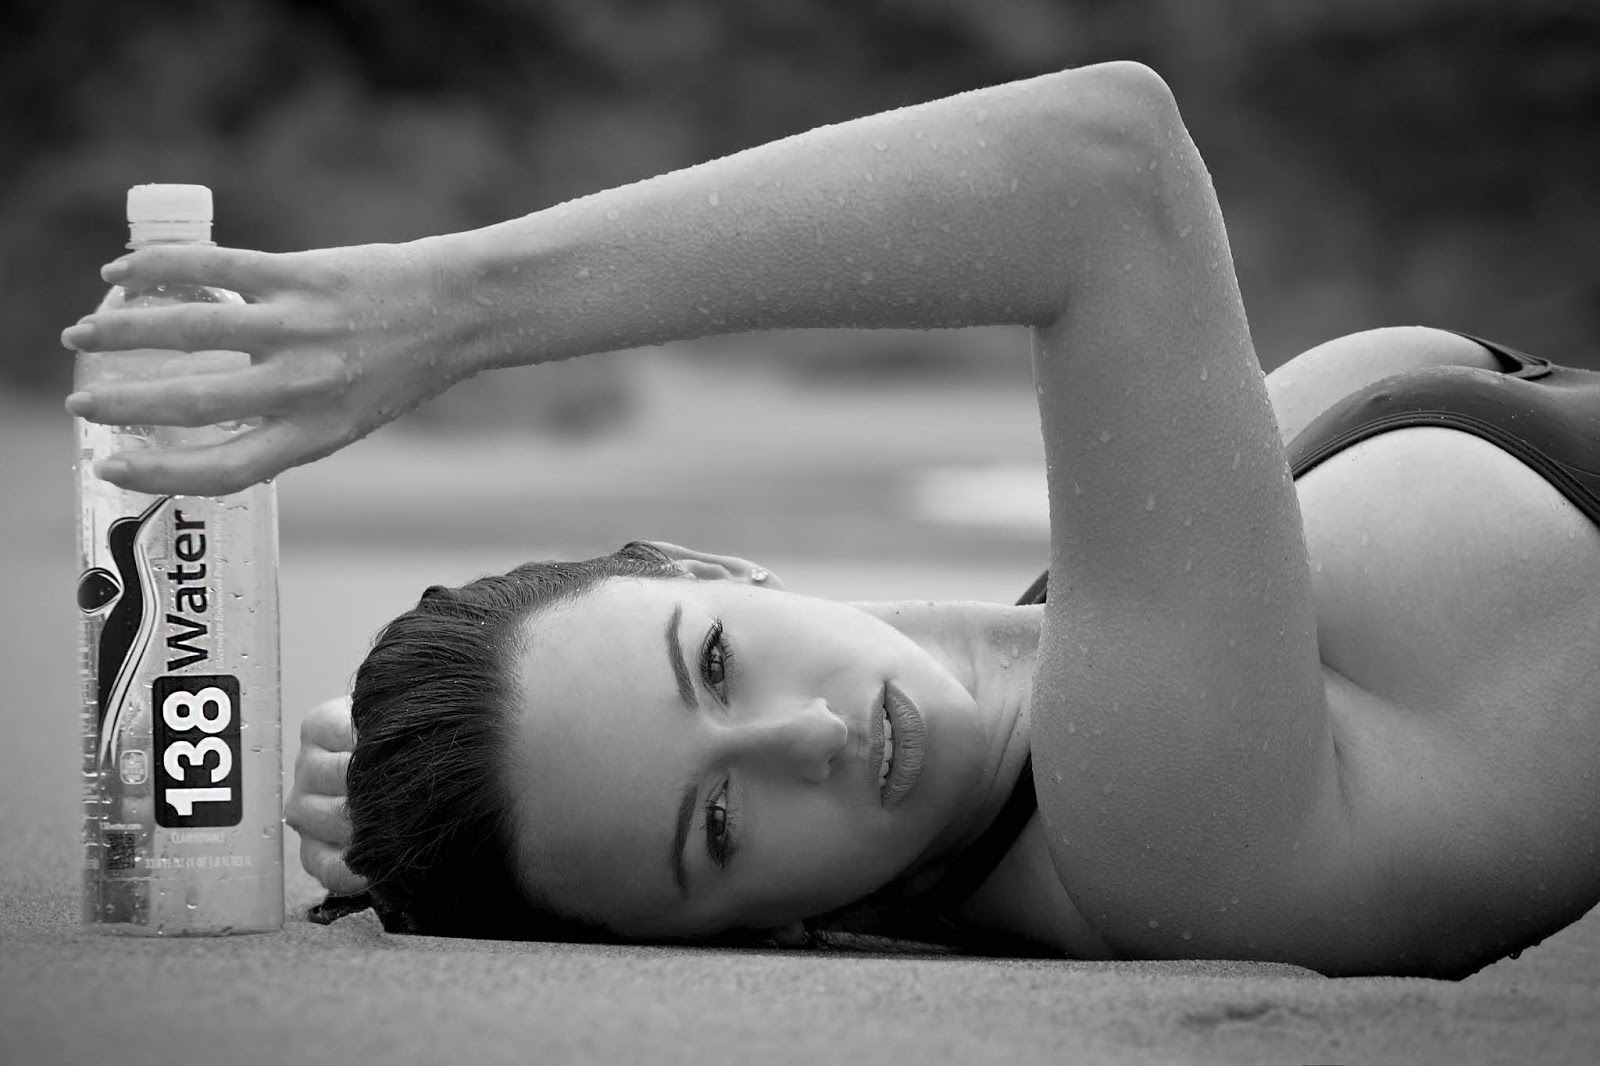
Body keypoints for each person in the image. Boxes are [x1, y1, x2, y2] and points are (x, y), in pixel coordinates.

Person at [61, 62, 1600, 979]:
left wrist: (413, 797)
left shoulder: (1089, 635)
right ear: (748, 937)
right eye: (719, 826)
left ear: (704, 565)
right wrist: (452, 311)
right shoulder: (1148, 822)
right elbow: (1107, 171)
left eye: (715, 662)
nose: (806, 739)